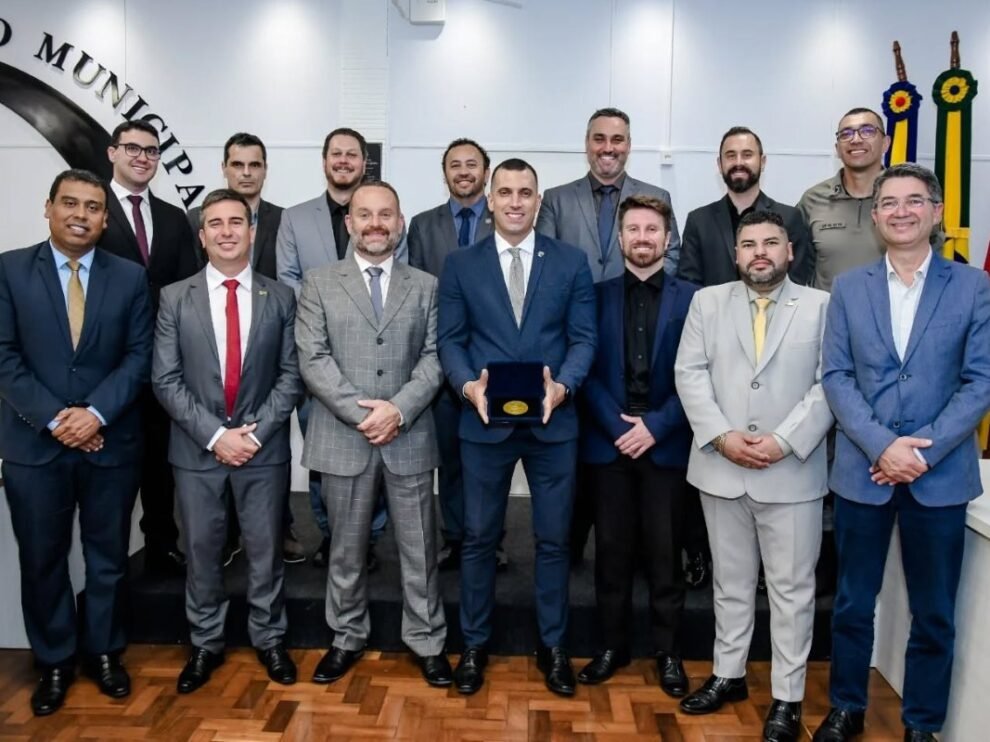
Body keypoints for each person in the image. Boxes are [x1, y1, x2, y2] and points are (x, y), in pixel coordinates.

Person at [813, 164, 990, 742]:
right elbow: (837, 376)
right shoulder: (849, 288)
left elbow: (981, 381)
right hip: (864, 470)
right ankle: (847, 707)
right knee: (851, 604)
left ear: (936, 212)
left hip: (940, 476)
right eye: (889, 202)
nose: (901, 212)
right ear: (876, 216)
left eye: (914, 201)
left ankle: (921, 723)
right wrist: (883, 446)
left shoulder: (973, 287)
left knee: (933, 612)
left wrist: (921, 453)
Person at [438, 158, 596, 697]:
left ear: (538, 200)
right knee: (478, 539)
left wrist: (563, 387)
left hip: (554, 423)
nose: (514, 202)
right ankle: (474, 645)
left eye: (524, 193)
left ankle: (554, 647)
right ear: (490, 199)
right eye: (504, 192)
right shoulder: (460, 265)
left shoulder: (571, 262)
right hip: (484, 424)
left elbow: (584, 339)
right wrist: (468, 387)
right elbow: (450, 341)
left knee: (553, 541)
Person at [675, 210, 833, 742]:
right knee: (730, 583)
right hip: (721, 467)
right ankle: (729, 674)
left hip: (792, 471)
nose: (759, 252)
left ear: (790, 251)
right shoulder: (707, 302)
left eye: (770, 242)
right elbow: (689, 373)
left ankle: (787, 697)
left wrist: (782, 441)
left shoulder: (821, 307)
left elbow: (828, 383)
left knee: (791, 591)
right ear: (735, 254)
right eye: (748, 244)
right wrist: (722, 436)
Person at [0, 169, 153, 715]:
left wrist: (94, 415)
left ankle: (105, 653)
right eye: (70, 203)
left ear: (105, 219)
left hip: (109, 444)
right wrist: (56, 420)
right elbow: (4, 355)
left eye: (92, 207)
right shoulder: (9, 270)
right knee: (42, 559)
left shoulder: (130, 278)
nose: (80, 215)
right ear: (48, 208)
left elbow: (139, 357)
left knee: (107, 558)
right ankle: (54, 661)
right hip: (33, 447)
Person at [295, 181, 450, 687]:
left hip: (409, 435)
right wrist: (363, 415)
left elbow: (435, 357)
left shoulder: (426, 285)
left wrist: (398, 411)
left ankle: (427, 640)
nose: (376, 224)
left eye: (386, 214)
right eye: (365, 215)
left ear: (400, 223)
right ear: (350, 223)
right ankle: (346, 637)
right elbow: (313, 359)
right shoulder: (319, 283)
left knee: (420, 550)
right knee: (345, 550)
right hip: (345, 438)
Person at [152, 189, 302, 693]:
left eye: (236, 222)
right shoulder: (175, 297)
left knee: (265, 550)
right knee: (201, 550)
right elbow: (165, 379)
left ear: (252, 231)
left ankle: (270, 638)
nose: (226, 232)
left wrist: (252, 435)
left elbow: (291, 375)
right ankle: (205, 643)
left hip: (263, 449)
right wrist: (216, 436)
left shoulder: (280, 297)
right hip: (197, 451)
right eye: (214, 223)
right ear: (202, 235)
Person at [537, 107, 680, 564]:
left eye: (617, 139)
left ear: (629, 145)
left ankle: (630, 553)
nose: (608, 148)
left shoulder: (655, 196)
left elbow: (671, 258)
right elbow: (546, 264)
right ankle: (573, 548)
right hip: (577, 339)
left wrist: (638, 292)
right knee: (584, 463)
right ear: (587, 144)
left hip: (639, 331)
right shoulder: (557, 199)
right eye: (599, 138)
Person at [576, 195, 697, 696]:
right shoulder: (592, 296)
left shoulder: (695, 299)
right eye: (633, 229)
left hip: (667, 444)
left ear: (667, 239)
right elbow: (582, 369)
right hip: (610, 446)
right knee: (611, 552)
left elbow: (703, 376)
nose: (643, 238)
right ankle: (613, 646)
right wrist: (618, 427)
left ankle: (668, 652)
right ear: (620, 238)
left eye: (652, 230)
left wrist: (656, 427)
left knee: (666, 556)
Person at [276, 127, 391, 568]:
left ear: (364, 162)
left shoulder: (383, 216)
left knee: (377, 457)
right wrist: (325, 316)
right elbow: (288, 280)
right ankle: (331, 534)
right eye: (336, 153)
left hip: (377, 361)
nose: (343, 160)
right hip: (318, 361)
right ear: (324, 161)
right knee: (324, 458)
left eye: (352, 154)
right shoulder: (295, 218)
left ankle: (370, 537)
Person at [187, 132, 304, 565]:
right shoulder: (194, 220)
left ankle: (276, 530)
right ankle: (226, 537)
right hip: (211, 362)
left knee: (268, 478)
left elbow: (288, 280)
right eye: (238, 164)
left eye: (255, 165)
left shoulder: (284, 219)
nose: (246, 172)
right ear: (224, 168)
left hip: (265, 362)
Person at [99, 119, 200, 577]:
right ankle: (111, 558)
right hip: (108, 360)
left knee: (161, 459)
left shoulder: (174, 217)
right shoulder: (95, 209)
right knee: (113, 464)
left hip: (163, 360)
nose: (143, 157)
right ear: (112, 153)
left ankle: (161, 543)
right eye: (133, 148)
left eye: (152, 150)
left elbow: (186, 289)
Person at [407, 137, 501, 572]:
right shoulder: (423, 225)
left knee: (492, 460)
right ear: (444, 173)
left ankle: (492, 541)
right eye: (455, 165)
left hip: (494, 357)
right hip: (442, 357)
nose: (464, 172)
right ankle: (456, 538)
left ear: (486, 171)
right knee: (449, 459)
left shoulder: (504, 221)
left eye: (472, 164)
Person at [677, 126, 813, 288]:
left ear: (762, 162)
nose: (739, 162)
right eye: (731, 156)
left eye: (747, 155)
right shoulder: (699, 221)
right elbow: (688, 285)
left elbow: (796, 282)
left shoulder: (790, 218)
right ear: (720, 164)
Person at [799, 108, 889, 293]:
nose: (855, 139)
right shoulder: (812, 200)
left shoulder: (907, 199)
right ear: (837, 149)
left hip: (892, 312)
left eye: (867, 131)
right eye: (846, 134)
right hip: (829, 311)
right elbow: (798, 267)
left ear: (885, 143)